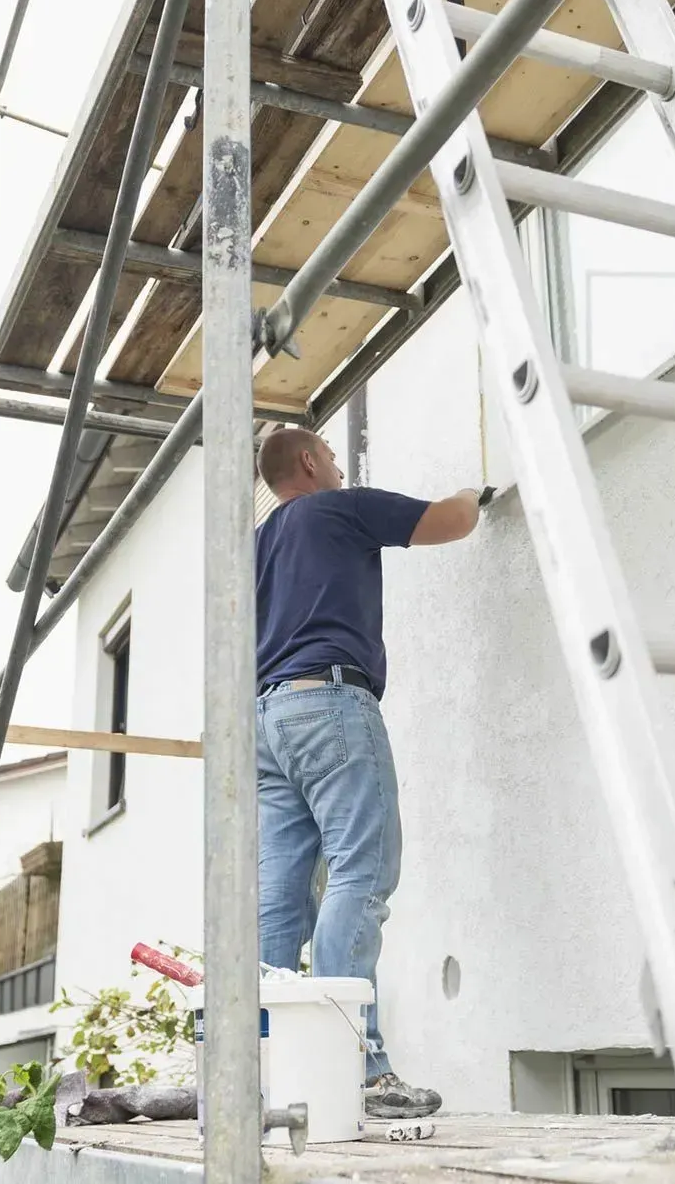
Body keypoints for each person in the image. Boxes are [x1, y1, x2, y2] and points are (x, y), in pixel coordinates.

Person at [252, 426, 490, 1119]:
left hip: (267, 722)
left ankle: (262, 1065)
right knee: (360, 873)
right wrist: (475, 492)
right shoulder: (340, 508)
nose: (334, 461)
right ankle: (359, 1066)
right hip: (331, 704)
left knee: (278, 901)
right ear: (307, 462)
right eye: (328, 452)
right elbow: (450, 521)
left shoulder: (258, 544)